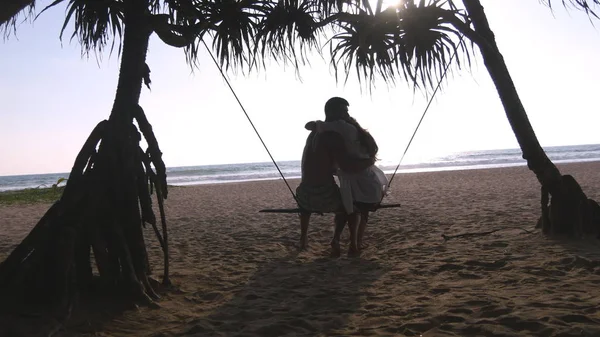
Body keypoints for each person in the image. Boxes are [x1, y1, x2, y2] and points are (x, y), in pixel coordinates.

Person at [305, 97, 388, 250]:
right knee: (358, 208)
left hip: (354, 174)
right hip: (361, 174)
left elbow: (309, 125)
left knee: (351, 206)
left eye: (346, 112)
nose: (346, 114)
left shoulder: (340, 127)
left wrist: (318, 126)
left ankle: (349, 242)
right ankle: (355, 243)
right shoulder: (350, 127)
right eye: (344, 111)